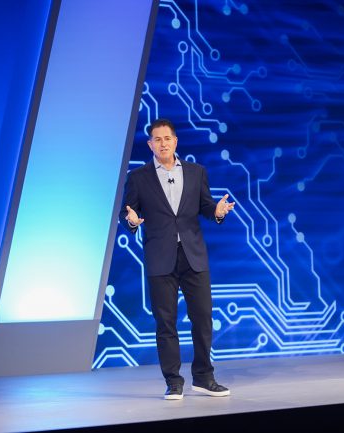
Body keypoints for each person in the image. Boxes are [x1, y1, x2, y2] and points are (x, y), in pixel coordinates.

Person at [120, 118, 235, 400]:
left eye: (167, 139)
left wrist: (217, 211)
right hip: (160, 258)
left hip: (194, 256)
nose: (163, 144)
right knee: (166, 323)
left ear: (175, 141)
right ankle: (173, 381)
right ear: (150, 145)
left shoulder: (196, 172)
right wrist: (131, 220)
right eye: (157, 140)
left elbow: (205, 206)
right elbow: (127, 214)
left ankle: (204, 377)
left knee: (203, 319)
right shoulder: (138, 177)